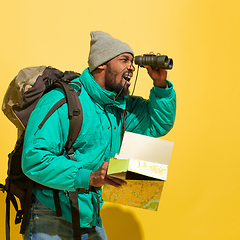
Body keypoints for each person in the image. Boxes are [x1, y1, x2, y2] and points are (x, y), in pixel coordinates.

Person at [21, 31, 176, 240]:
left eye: (133, 61)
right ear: (101, 64)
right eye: (124, 60)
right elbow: (34, 159)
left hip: (89, 213)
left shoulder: (118, 107)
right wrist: (91, 176)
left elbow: (158, 124)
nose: (131, 67)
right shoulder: (63, 100)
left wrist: (161, 85)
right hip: (51, 214)